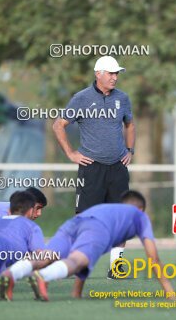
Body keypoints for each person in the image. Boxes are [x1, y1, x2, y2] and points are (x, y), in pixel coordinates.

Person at [0, 190, 176, 302]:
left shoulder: (109, 209)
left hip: (75, 221)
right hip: (97, 227)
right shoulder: (139, 216)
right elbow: (153, 258)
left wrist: (77, 293)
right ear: (140, 209)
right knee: (77, 260)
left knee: (46, 256)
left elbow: (87, 261)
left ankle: (11, 273)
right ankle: (44, 276)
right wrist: (170, 293)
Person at [53, 56, 135, 278]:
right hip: (92, 169)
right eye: (111, 73)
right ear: (98, 74)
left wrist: (130, 151)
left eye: (117, 73)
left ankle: (116, 268)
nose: (115, 77)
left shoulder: (123, 98)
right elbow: (58, 125)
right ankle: (77, 263)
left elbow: (130, 124)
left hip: (117, 168)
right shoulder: (81, 98)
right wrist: (71, 153)